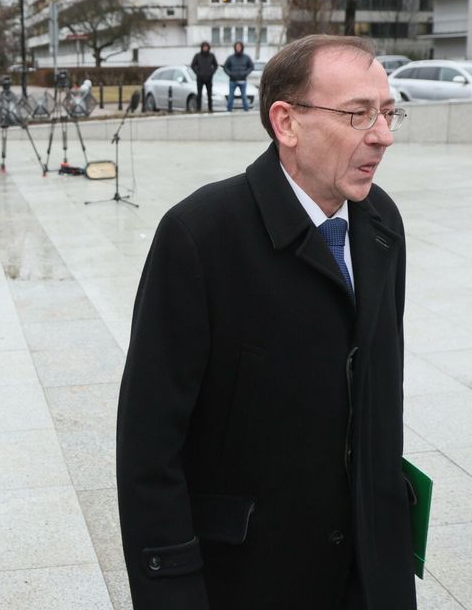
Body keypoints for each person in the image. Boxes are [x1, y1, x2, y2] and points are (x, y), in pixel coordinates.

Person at [116, 34, 414, 609]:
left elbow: (382, 398)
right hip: (251, 574)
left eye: (388, 112)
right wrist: (171, 589)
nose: (383, 134)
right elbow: (149, 446)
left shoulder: (381, 223)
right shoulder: (199, 236)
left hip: (367, 568)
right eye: (358, 114)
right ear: (287, 122)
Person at [222, 40, 254, 112]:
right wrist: (230, 74)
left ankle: (246, 110)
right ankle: (228, 110)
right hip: (233, 80)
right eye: (237, 47)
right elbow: (225, 67)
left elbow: (251, 67)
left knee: (244, 96)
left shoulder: (246, 57)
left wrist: (245, 73)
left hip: (242, 80)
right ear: (235, 48)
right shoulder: (230, 58)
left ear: (242, 48)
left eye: (239, 47)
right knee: (231, 96)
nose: (238, 48)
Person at [190, 42, 219, 112]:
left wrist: (212, 72)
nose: (205, 48)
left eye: (206, 47)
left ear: (208, 48)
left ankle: (210, 108)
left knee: (209, 94)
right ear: (202, 48)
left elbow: (216, 65)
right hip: (200, 78)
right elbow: (192, 65)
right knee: (199, 94)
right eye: (204, 47)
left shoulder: (211, 56)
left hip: (209, 78)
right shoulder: (197, 56)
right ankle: (198, 108)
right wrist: (198, 73)